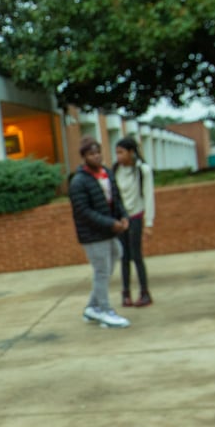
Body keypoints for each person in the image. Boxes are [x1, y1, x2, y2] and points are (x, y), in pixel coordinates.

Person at [69, 138, 131, 328]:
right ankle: (105, 310)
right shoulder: (79, 181)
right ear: (84, 157)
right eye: (91, 154)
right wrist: (109, 224)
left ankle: (92, 307)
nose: (96, 156)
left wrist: (123, 216)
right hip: (93, 234)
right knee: (102, 270)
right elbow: (83, 211)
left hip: (109, 230)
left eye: (98, 152)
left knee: (115, 256)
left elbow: (116, 199)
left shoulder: (107, 174)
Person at [113, 136, 155, 307]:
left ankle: (145, 292)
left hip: (136, 217)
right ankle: (126, 293)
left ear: (131, 152)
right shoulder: (116, 170)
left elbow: (149, 196)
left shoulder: (142, 170)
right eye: (116, 153)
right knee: (123, 257)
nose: (118, 156)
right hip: (121, 219)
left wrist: (149, 223)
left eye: (121, 152)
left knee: (137, 256)